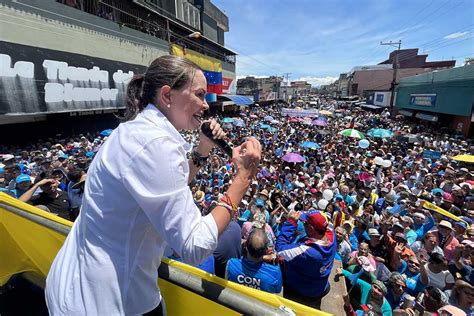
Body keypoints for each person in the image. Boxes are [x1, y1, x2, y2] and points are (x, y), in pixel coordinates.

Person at [45, 55, 262, 315]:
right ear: (167, 95)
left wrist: (203, 148)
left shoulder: (136, 131)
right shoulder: (155, 143)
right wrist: (243, 178)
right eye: (200, 95)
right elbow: (195, 244)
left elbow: (165, 188)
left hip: (77, 287)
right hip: (106, 302)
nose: (206, 105)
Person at [276, 210, 336, 309]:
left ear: (311, 228)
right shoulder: (331, 234)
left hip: (300, 291)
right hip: (319, 287)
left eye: (304, 223)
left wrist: (290, 223)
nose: (303, 224)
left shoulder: (307, 251)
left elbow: (280, 248)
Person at [225, 229, 282, 294]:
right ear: (266, 250)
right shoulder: (275, 272)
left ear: (245, 244)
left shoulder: (231, 264)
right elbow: (278, 291)